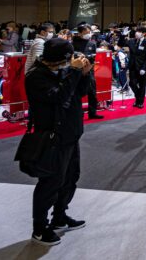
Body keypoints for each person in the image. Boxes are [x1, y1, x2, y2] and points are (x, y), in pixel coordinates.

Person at [25, 38, 92, 246]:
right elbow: (59, 97)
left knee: (70, 177)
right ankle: (39, 228)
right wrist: (74, 72)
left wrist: (85, 74)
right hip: (52, 137)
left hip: (71, 133)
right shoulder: (36, 76)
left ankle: (60, 217)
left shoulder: (65, 71)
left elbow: (79, 93)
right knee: (50, 182)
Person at [71, 25, 104, 119]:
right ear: (80, 33)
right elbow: (72, 55)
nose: (88, 34)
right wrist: (79, 55)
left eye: (89, 32)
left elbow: (94, 56)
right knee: (77, 92)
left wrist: (88, 58)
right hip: (77, 70)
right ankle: (78, 113)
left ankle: (92, 112)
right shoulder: (73, 42)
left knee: (92, 92)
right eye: (86, 32)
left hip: (89, 69)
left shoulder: (92, 43)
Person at [126, 27, 146, 108]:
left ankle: (140, 102)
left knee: (142, 85)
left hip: (142, 67)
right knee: (132, 83)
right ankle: (138, 97)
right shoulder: (132, 41)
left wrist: (144, 68)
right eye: (137, 31)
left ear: (144, 33)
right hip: (132, 66)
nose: (137, 33)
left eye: (139, 31)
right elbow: (122, 43)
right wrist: (123, 35)